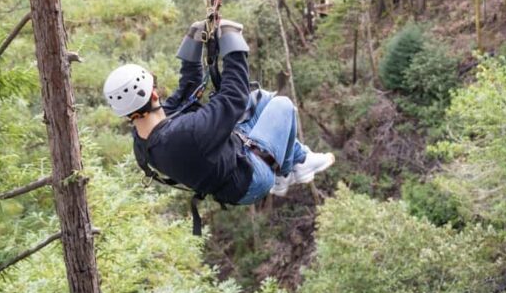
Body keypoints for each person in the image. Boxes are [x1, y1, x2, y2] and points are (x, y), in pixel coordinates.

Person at [103, 19, 334, 216]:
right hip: (252, 179)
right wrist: (232, 42)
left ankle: (299, 159)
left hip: (232, 160)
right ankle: (286, 171)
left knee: (260, 101)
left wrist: (194, 39)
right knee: (282, 106)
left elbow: (188, 91)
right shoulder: (186, 134)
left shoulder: (144, 138)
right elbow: (233, 96)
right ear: (153, 93)